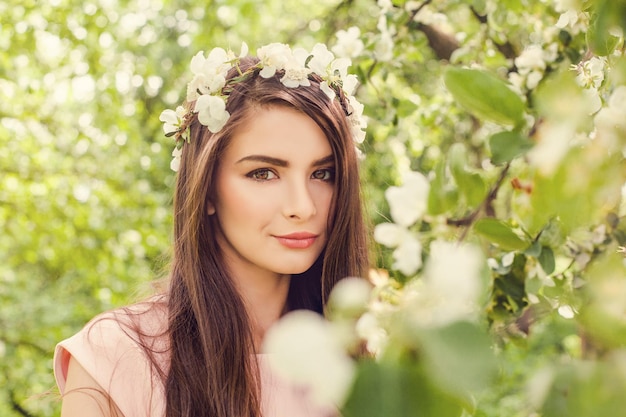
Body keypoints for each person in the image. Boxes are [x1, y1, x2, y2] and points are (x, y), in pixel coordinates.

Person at [53, 41, 370, 417]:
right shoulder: (115, 356)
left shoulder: (375, 357)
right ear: (206, 190)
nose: (303, 207)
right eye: (263, 173)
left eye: (323, 174)